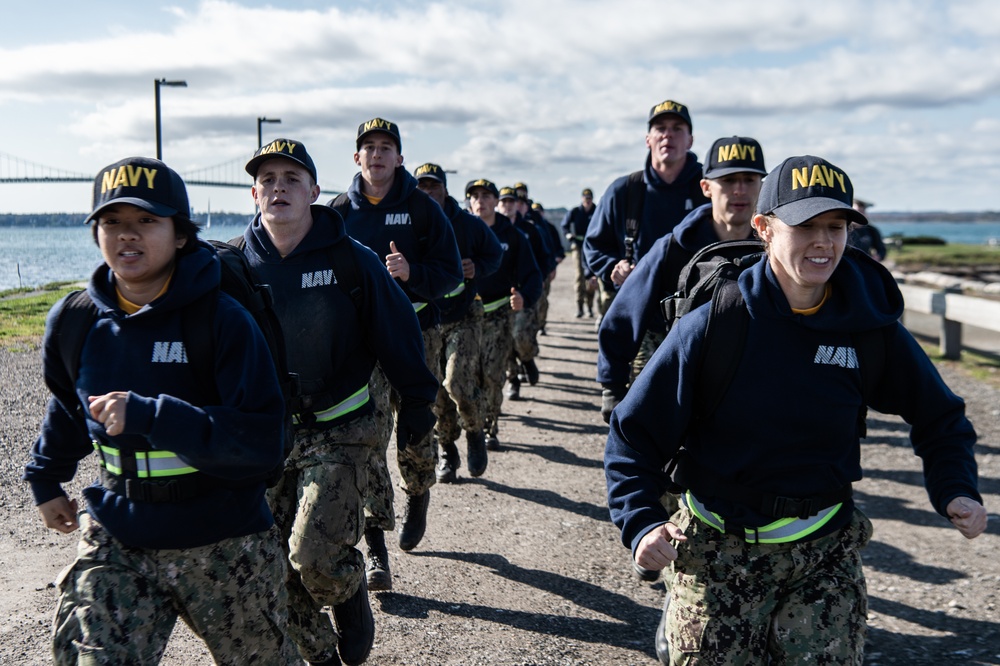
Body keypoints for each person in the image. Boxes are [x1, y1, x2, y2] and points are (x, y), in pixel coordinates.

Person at [604, 154, 987, 664]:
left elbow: (941, 417)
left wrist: (955, 486)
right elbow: (633, 435)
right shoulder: (716, 324)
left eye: (836, 226)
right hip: (718, 550)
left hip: (824, 553)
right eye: (805, 226)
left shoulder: (868, 326)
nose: (824, 242)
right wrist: (642, 522)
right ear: (764, 228)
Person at [23, 156, 294, 665]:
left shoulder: (222, 321)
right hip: (118, 533)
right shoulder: (75, 320)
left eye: (147, 221)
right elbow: (68, 406)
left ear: (181, 234)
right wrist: (46, 477)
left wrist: (154, 416)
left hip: (223, 537)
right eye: (112, 222)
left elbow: (261, 442)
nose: (128, 236)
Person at [243, 139, 438, 664]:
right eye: (268, 179)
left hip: (344, 427)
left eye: (291, 178)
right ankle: (322, 655)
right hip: (273, 436)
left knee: (313, 557)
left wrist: (418, 405)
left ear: (314, 191)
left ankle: (349, 594)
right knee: (270, 567)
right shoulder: (235, 268)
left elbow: (398, 334)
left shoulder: (354, 261)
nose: (278, 187)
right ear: (254, 192)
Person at [328, 118, 462, 583]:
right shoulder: (339, 210)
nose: (378, 154)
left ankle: (419, 489)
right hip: (359, 344)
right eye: (369, 147)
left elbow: (452, 274)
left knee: (414, 431)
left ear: (399, 158)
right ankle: (376, 549)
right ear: (356, 157)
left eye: (387, 147)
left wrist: (411, 274)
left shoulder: (424, 209)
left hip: (415, 334)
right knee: (367, 440)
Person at [597, 136, 767, 421]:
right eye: (727, 180)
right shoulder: (672, 249)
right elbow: (623, 316)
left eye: (749, 180)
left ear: (763, 187)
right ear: (706, 187)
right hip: (675, 371)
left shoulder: (777, 252)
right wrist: (612, 385)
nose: (739, 190)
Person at [413, 163, 503, 483]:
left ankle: (475, 431)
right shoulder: (410, 222)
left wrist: (476, 266)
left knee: (457, 382)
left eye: (433, 187)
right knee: (436, 392)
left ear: (445, 190)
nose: (427, 193)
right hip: (427, 319)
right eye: (421, 187)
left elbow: (495, 255)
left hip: (464, 315)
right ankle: (447, 450)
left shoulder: (467, 224)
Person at [584, 99, 709, 322]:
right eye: (660, 128)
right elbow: (594, 245)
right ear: (648, 139)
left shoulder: (710, 189)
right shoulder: (624, 191)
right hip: (640, 314)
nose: (667, 135)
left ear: (690, 140)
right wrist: (614, 267)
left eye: (677, 129)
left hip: (700, 314)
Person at [466, 178, 543, 456]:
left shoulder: (512, 235)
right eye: (475, 196)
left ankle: (489, 428)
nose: (481, 201)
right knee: (463, 378)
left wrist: (525, 296)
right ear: (469, 201)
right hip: (463, 316)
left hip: (498, 312)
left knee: (491, 374)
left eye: (487, 196)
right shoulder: (458, 231)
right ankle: (466, 426)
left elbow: (533, 274)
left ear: (495, 201)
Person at [497, 186, 553, 400]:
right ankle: (513, 380)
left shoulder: (529, 230)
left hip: (525, 292)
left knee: (521, 336)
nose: (508, 205)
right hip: (499, 297)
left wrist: (534, 286)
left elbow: (543, 258)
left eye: (512, 202)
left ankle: (528, 359)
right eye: (504, 201)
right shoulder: (491, 229)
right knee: (506, 341)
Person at [561, 188, 598, 318]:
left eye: (589, 198)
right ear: (582, 198)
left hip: (593, 247)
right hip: (578, 245)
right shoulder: (576, 211)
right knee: (579, 276)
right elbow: (564, 225)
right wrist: (568, 235)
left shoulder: (597, 211)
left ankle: (590, 307)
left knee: (592, 278)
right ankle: (580, 307)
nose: (587, 201)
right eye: (585, 198)